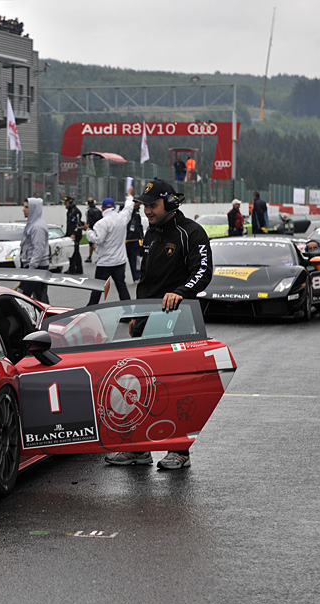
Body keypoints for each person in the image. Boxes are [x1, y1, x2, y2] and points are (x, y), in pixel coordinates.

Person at [105, 178, 211, 471]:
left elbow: (203, 272)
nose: (147, 211)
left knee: (174, 388)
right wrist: (138, 317)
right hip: (148, 322)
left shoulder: (192, 233)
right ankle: (138, 450)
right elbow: (147, 283)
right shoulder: (150, 233)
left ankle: (179, 451)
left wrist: (180, 292)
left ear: (170, 204)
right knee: (138, 385)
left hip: (179, 322)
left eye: (153, 205)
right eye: (144, 205)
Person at [86, 193, 135, 305]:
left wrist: (87, 230)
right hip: (119, 261)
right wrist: (129, 195)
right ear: (115, 207)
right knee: (122, 288)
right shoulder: (122, 217)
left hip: (105, 263)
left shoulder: (101, 223)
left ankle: (89, 311)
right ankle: (129, 313)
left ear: (102, 208)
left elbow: (98, 240)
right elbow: (129, 207)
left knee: (97, 289)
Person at [19, 197, 50, 303]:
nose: (24, 209)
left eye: (27, 207)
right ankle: (49, 317)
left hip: (36, 267)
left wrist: (31, 268)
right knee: (40, 298)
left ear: (34, 209)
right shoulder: (32, 224)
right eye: (24, 206)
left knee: (23, 297)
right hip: (32, 266)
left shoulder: (38, 227)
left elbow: (39, 249)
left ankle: (49, 317)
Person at [63, 196, 84, 274]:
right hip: (70, 234)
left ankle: (73, 269)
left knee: (74, 252)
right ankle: (77, 269)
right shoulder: (69, 212)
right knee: (74, 252)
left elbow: (77, 224)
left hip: (76, 235)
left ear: (71, 202)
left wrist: (74, 234)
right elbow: (69, 224)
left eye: (66, 203)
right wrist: (67, 234)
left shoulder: (76, 211)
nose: (65, 205)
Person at [124, 202, 144, 281]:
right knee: (122, 259)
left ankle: (137, 276)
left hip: (135, 240)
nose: (137, 206)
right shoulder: (126, 213)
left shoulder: (137, 214)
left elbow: (139, 226)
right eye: (137, 204)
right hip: (126, 240)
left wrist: (141, 237)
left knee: (136, 258)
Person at [84, 197, 102, 263]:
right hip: (99, 228)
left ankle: (99, 256)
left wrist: (88, 228)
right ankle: (90, 257)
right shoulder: (98, 210)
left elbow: (89, 221)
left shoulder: (88, 211)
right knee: (91, 243)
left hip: (92, 228)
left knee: (92, 243)